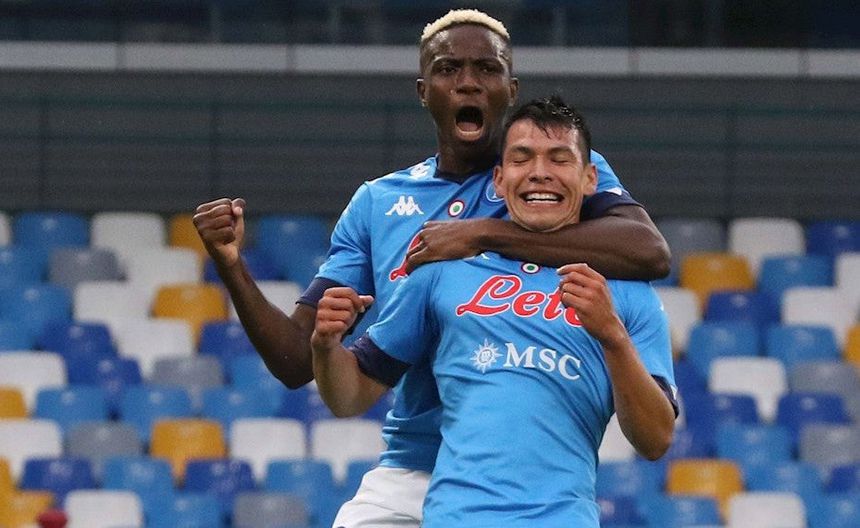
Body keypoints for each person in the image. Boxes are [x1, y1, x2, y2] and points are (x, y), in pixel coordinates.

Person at [193, 9, 670, 527]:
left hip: (530, 479)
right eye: (448, 69)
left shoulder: (546, 166)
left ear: (510, 89)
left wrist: (480, 234)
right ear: (423, 91)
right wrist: (233, 266)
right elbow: (296, 361)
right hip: (413, 465)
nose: (468, 83)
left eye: (486, 69)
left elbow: (648, 251)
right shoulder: (379, 203)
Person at [311, 95, 678, 526]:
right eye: (522, 158)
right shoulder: (441, 274)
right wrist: (326, 346)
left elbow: (655, 440)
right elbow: (350, 395)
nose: (540, 172)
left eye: (559, 159)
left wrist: (613, 337)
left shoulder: (627, 293)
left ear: (590, 179)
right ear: (500, 180)